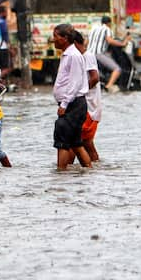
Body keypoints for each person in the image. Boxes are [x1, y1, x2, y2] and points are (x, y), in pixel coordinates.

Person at [52, 23, 92, 170]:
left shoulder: (73, 56)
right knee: (76, 142)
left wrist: (64, 104)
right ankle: (88, 170)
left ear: (65, 38)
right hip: (73, 104)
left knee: (62, 141)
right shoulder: (68, 55)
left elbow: (74, 83)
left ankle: (61, 174)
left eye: (56, 37)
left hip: (73, 104)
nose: (53, 40)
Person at [74, 30, 102, 162]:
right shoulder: (78, 57)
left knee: (85, 142)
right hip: (83, 105)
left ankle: (93, 167)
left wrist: (80, 93)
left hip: (89, 106)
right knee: (78, 141)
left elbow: (95, 77)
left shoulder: (87, 56)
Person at [87, 16, 131, 93]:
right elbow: (110, 41)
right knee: (117, 69)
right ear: (109, 23)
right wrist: (123, 43)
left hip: (88, 54)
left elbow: (86, 42)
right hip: (98, 54)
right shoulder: (107, 29)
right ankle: (108, 86)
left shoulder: (93, 29)